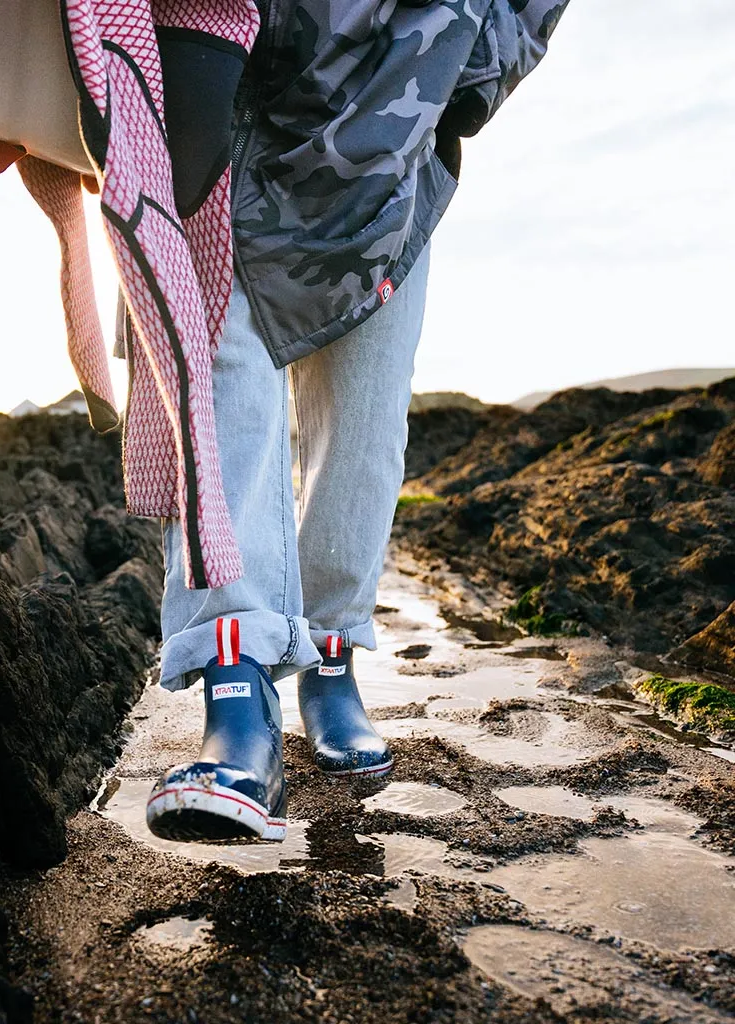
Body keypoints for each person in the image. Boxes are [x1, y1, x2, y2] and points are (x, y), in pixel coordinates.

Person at [145, 0, 569, 843]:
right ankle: (241, 689)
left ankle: (331, 654)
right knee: (224, 381)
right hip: (235, 84)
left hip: (399, 119)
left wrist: (473, 77)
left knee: (366, 419)